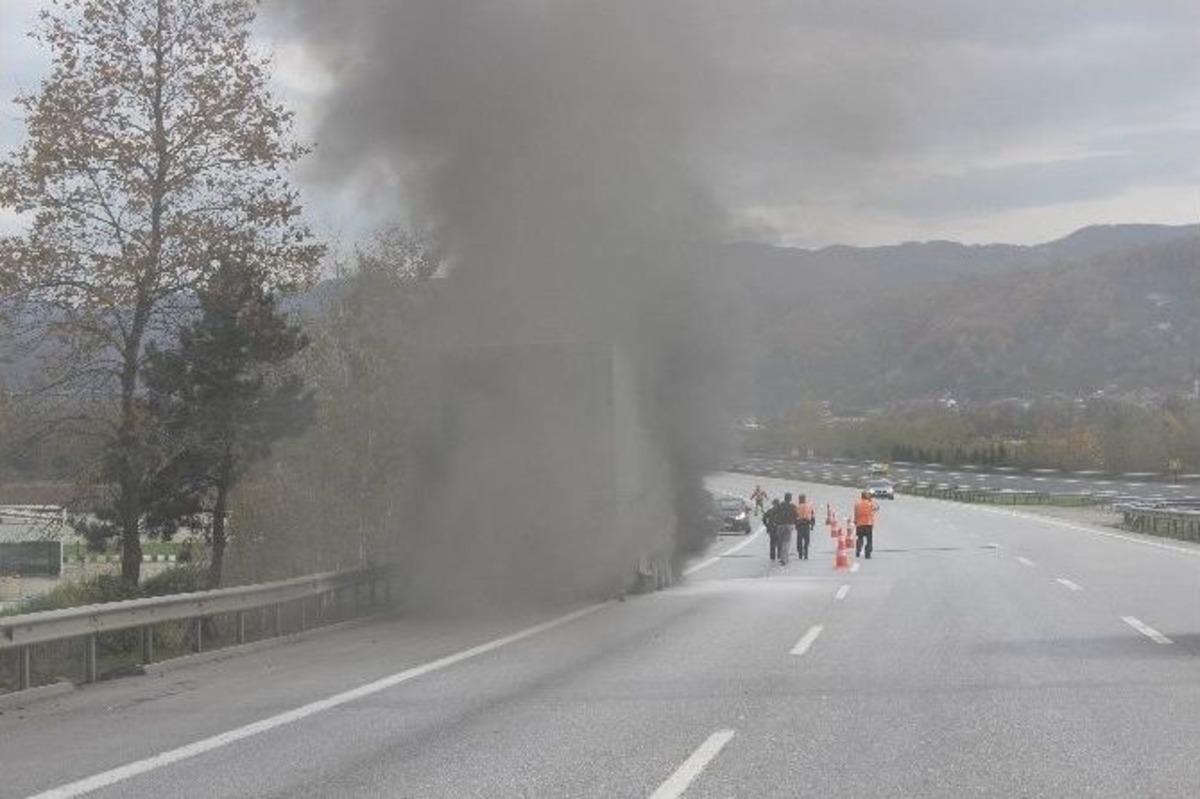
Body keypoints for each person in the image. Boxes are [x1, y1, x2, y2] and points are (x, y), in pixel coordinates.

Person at [854, 490, 879, 559]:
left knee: (860, 538)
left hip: (859, 524)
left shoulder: (857, 504)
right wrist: (871, 500)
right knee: (869, 540)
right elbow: (877, 508)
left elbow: (855, 513)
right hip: (868, 524)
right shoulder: (870, 503)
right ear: (867, 497)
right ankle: (867, 554)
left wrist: (855, 521)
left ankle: (858, 549)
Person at [775, 492, 799, 565]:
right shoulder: (793, 506)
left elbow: (775, 513)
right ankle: (784, 559)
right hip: (788, 525)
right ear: (790, 498)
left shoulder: (780, 505)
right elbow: (796, 515)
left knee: (780, 542)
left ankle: (781, 556)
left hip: (780, 525)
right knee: (786, 542)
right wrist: (794, 523)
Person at [795, 493, 815, 560]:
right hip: (806, 525)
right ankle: (806, 554)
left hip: (800, 525)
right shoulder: (809, 506)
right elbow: (812, 517)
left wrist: (795, 525)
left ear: (800, 499)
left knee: (799, 541)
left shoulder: (797, 507)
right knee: (806, 540)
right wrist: (812, 525)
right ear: (805, 499)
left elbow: (794, 517)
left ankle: (800, 555)